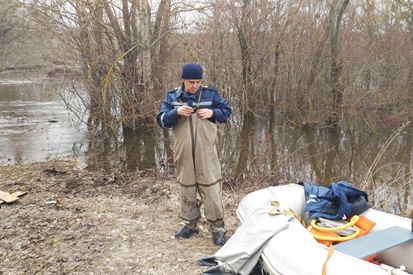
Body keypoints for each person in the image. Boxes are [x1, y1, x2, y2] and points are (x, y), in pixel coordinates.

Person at [156, 62, 232, 246]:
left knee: (211, 188)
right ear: (183, 80)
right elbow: (162, 120)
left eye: (198, 82)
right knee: (187, 187)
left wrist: (213, 111)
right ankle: (190, 225)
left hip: (206, 152)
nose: (195, 86)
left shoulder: (210, 94)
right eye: (191, 82)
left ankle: (218, 228)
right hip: (183, 152)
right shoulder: (173, 96)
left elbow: (227, 113)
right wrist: (176, 112)